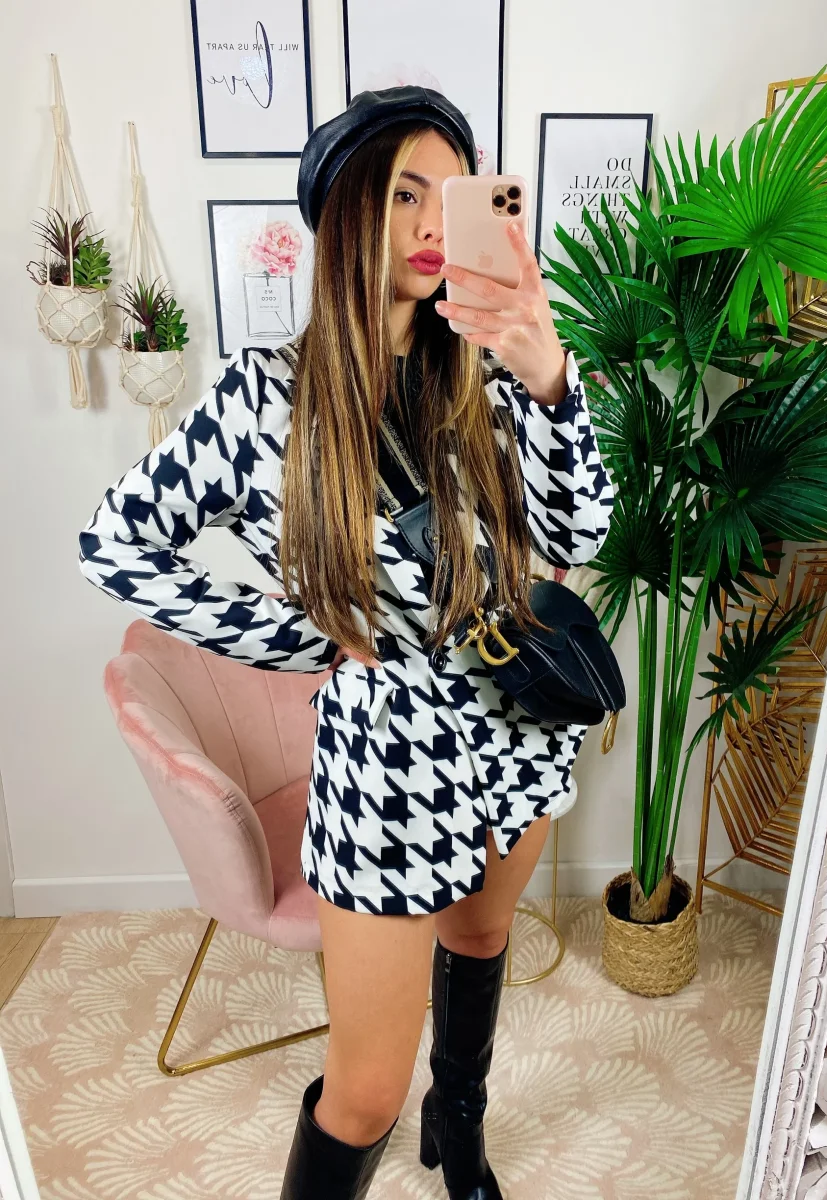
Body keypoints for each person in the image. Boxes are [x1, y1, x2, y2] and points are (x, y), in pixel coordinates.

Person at [78, 87, 614, 1200]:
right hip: (388, 756)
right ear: (345, 214)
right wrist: (301, 640)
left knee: (481, 939)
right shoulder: (262, 397)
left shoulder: (490, 378)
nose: (430, 224)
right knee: (364, 1088)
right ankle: (405, 1126)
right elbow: (115, 543)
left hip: (515, 719)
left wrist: (550, 380)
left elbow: (578, 535)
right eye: (404, 193)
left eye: (450, 197)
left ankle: (458, 1130)